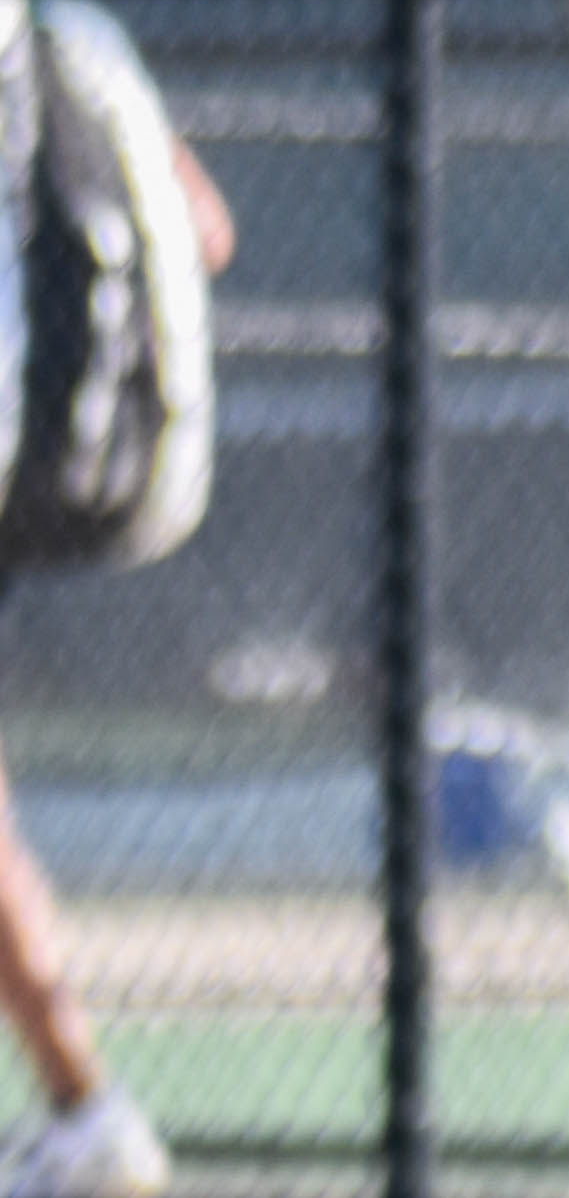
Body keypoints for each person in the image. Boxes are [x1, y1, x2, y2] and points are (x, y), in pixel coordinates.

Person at [0, 138, 234, 1198]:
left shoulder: (45, 64)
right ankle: (86, 1108)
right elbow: (203, 229)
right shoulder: (54, 57)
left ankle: (87, 1109)